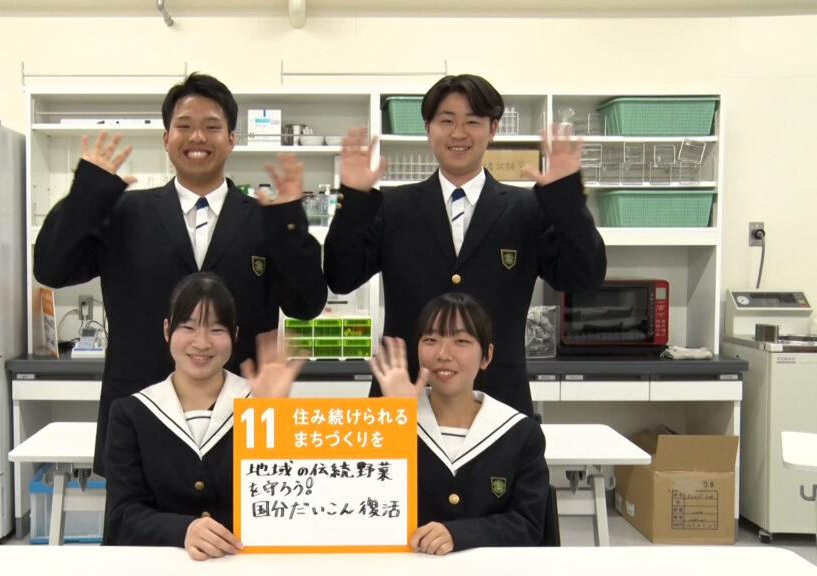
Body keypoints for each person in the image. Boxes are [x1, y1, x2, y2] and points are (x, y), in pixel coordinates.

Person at [33, 73, 327, 475]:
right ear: (166, 138)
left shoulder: (265, 220)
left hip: (241, 419)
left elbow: (306, 304)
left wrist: (292, 224)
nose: (198, 137)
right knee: (136, 516)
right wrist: (86, 193)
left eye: (212, 127)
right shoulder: (124, 213)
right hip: (140, 419)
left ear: (232, 139)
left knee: (236, 518)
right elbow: (51, 267)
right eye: (184, 126)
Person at [325, 74, 606, 416]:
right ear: (428, 129)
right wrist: (353, 200)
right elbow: (341, 277)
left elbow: (584, 277)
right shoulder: (393, 206)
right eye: (446, 121)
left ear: (493, 129)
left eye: (472, 121)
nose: (458, 133)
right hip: (403, 396)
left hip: (498, 397)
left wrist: (567, 199)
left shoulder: (527, 208)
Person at [103, 272, 302, 558]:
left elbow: (290, 503)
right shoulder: (131, 413)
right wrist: (183, 531)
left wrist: (276, 415)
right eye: (188, 327)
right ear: (167, 330)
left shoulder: (260, 403)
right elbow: (122, 516)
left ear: (234, 335)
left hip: (243, 564)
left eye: (217, 330)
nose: (202, 342)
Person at [369, 292, 549, 553]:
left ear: (487, 356)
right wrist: (396, 418)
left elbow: (528, 524)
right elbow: (366, 505)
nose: (443, 353)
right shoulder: (384, 423)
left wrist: (459, 535)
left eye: (461, 341)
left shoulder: (520, 433)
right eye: (431, 340)